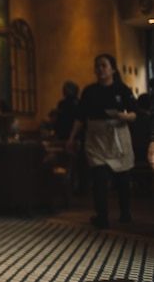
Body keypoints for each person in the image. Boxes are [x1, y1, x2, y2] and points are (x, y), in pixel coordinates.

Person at [67, 53, 137, 229]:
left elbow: (135, 114)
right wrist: (71, 138)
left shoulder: (122, 89)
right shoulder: (89, 91)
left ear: (112, 69)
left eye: (103, 65)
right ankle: (101, 215)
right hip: (96, 139)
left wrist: (123, 116)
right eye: (97, 66)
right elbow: (80, 117)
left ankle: (125, 211)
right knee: (99, 177)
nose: (99, 69)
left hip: (118, 136)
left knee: (122, 179)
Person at [54, 80, 87, 195]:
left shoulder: (68, 104)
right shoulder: (69, 104)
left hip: (70, 135)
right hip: (71, 135)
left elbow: (62, 121)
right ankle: (75, 187)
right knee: (73, 163)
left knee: (73, 163)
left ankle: (74, 187)